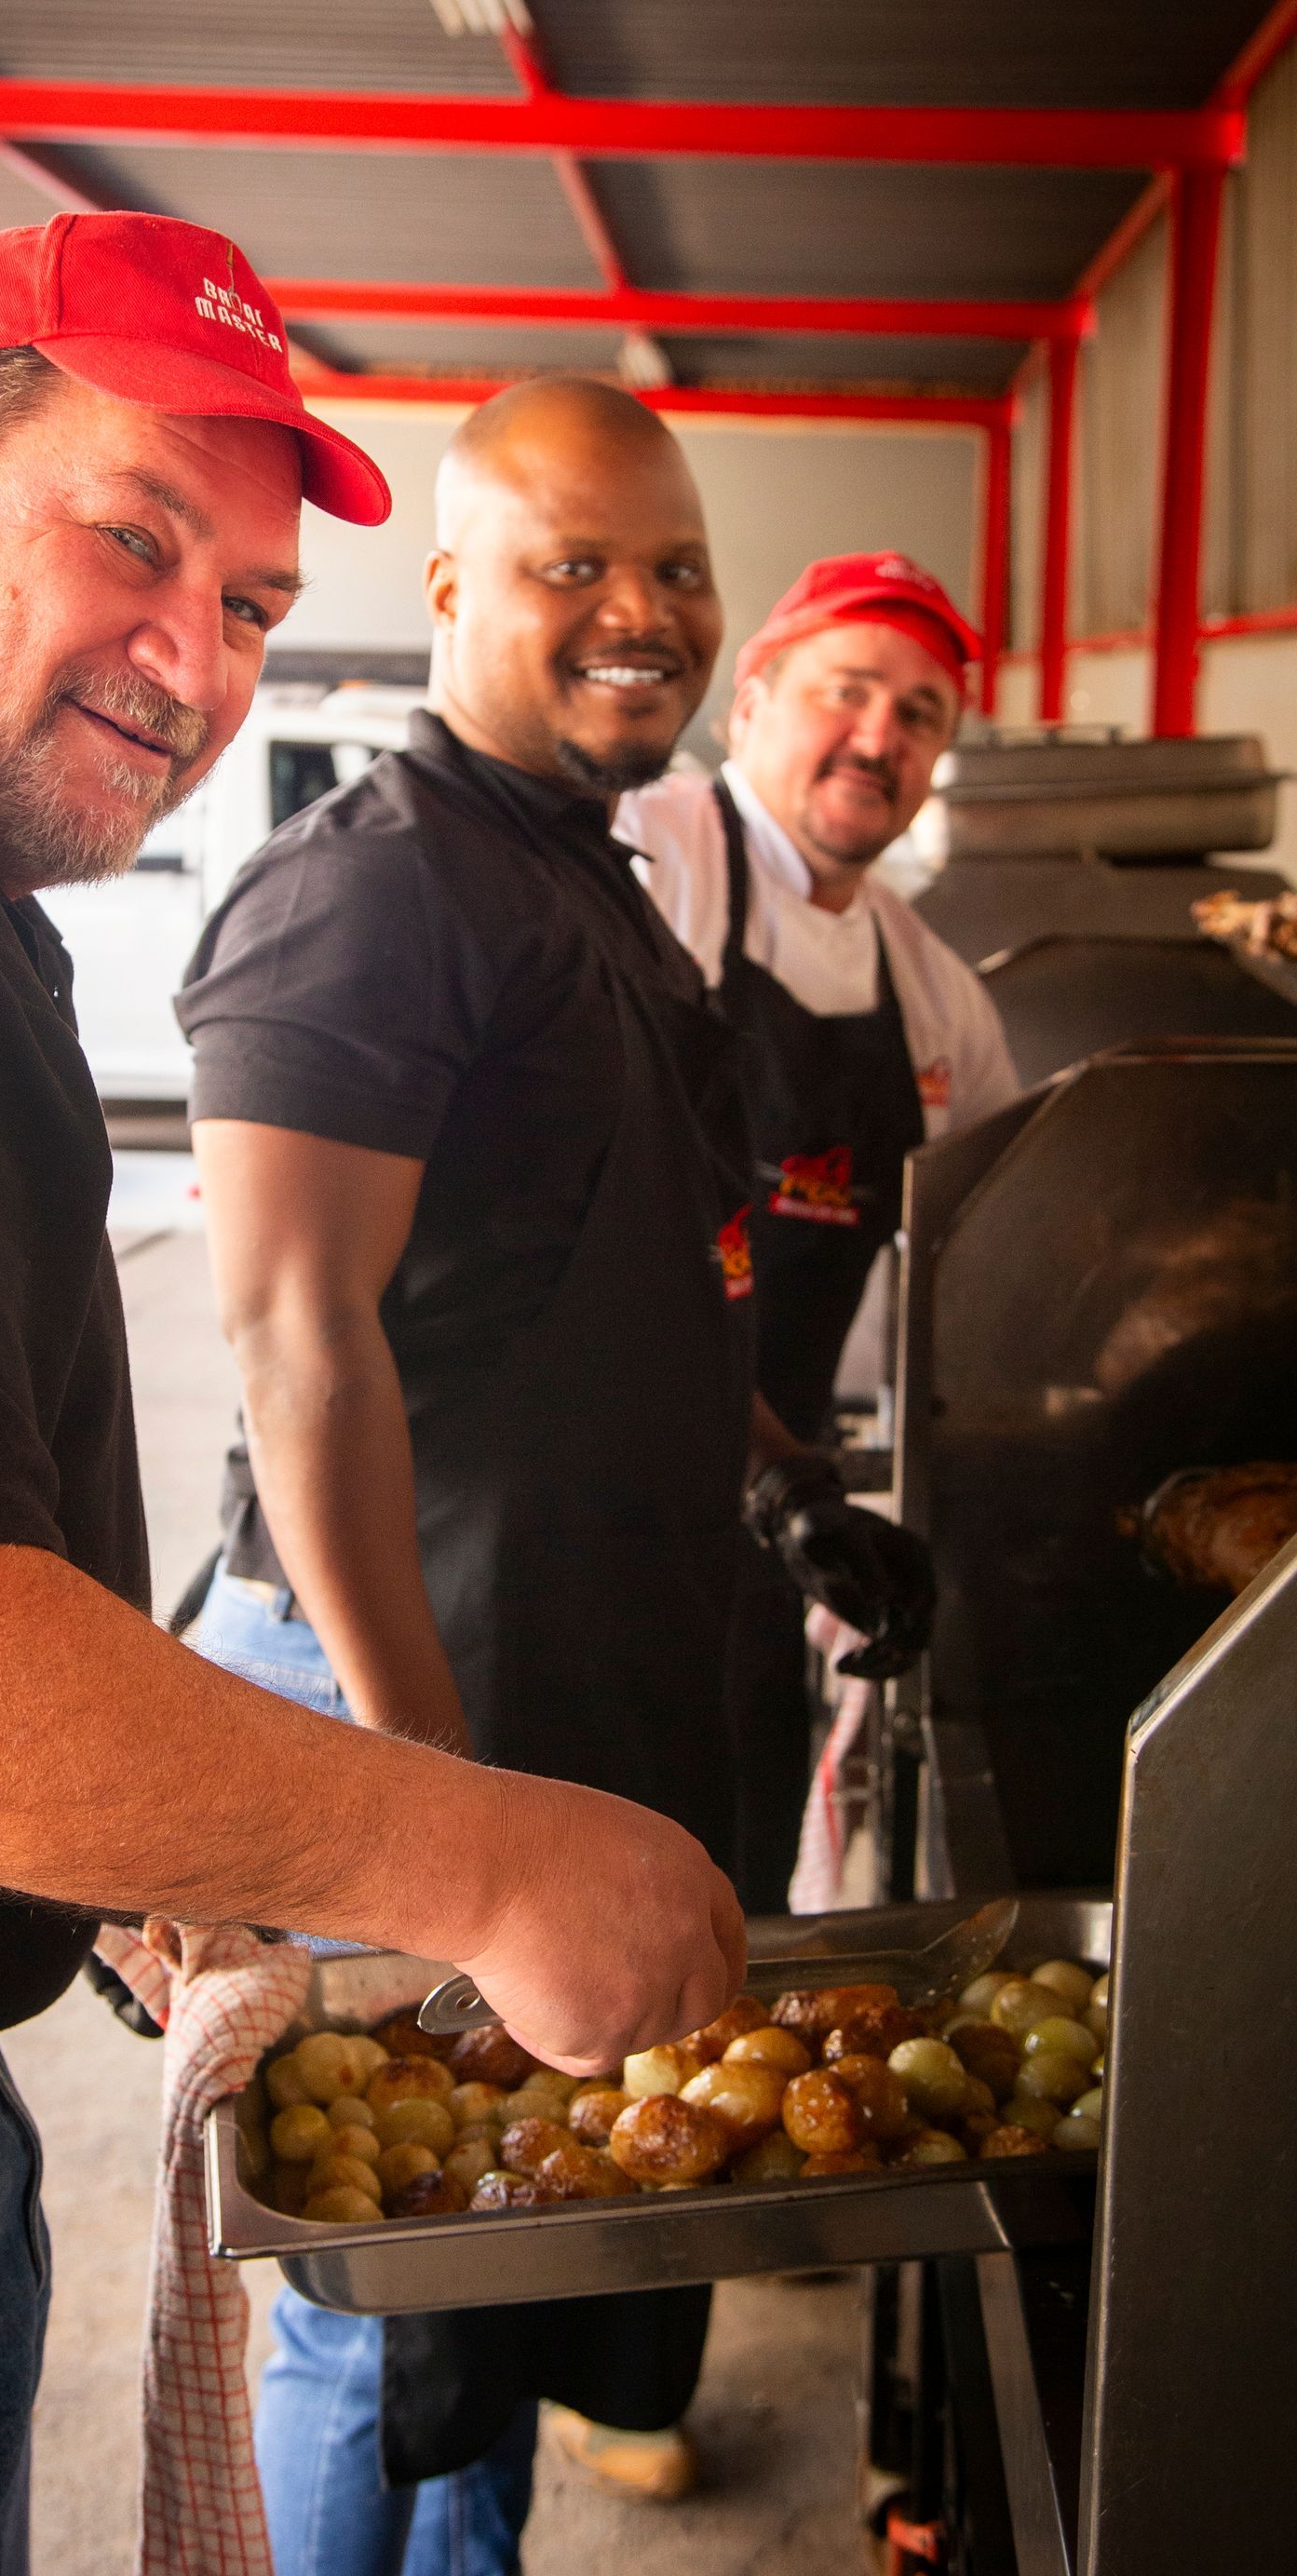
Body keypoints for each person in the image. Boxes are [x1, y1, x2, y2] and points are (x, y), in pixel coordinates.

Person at [0, 223, 749, 2576]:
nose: (194, 659)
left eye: (255, 602)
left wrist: (107, 1845)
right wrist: (477, 1853)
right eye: (134, 541)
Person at [175, 381, 936, 2570]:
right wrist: (428, 1792)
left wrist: (786, 1488)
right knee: (381, 2276)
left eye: (674, 569)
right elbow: (297, 1347)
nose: (640, 613)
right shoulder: (372, 895)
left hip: (560, 1655)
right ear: (446, 592)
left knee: (503, 2244)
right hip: (401, 1671)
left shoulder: (576, 880)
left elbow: (656, 1278)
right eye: (571, 566)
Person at [618, 554, 1020, 1912]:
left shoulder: (936, 990)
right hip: (581, 1489)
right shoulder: (642, 859)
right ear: (753, 701)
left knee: (728, 1878)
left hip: (767, 1510)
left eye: (920, 715)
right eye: (848, 692)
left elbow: (1000, 1254)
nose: (881, 736)